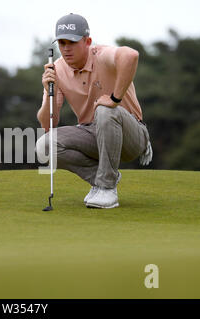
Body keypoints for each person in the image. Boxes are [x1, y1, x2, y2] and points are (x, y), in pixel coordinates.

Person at [36, 13, 153, 209]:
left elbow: (131, 55)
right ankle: (104, 179)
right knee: (44, 147)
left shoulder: (101, 55)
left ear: (87, 41)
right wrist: (49, 90)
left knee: (105, 110)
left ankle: (107, 190)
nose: (66, 49)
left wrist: (115, 98)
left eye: (72, 42)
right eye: (62, 43)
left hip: (130, 134)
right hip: (93, 133)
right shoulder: (56, 70)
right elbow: (48, 124)